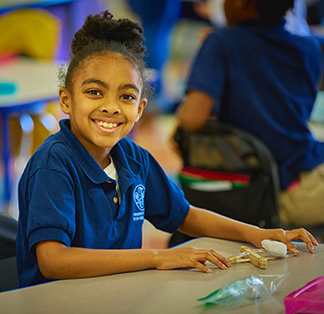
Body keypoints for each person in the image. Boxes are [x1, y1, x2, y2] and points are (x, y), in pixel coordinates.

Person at [16, 10, 317, 288]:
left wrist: (257, 234)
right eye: (94, 92)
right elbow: (54, 261)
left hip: (116, 293)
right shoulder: (54, 163)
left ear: (140, 109)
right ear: (66, 100)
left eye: (126, 96)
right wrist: (158, 257)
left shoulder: (134, 159)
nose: (110, 107)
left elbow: (184, 215)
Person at [175, 0, 324, 230]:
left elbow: (192, 118)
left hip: (273, 191)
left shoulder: (222, 42)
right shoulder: (311, 47)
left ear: (241, 3)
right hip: (310, 177)